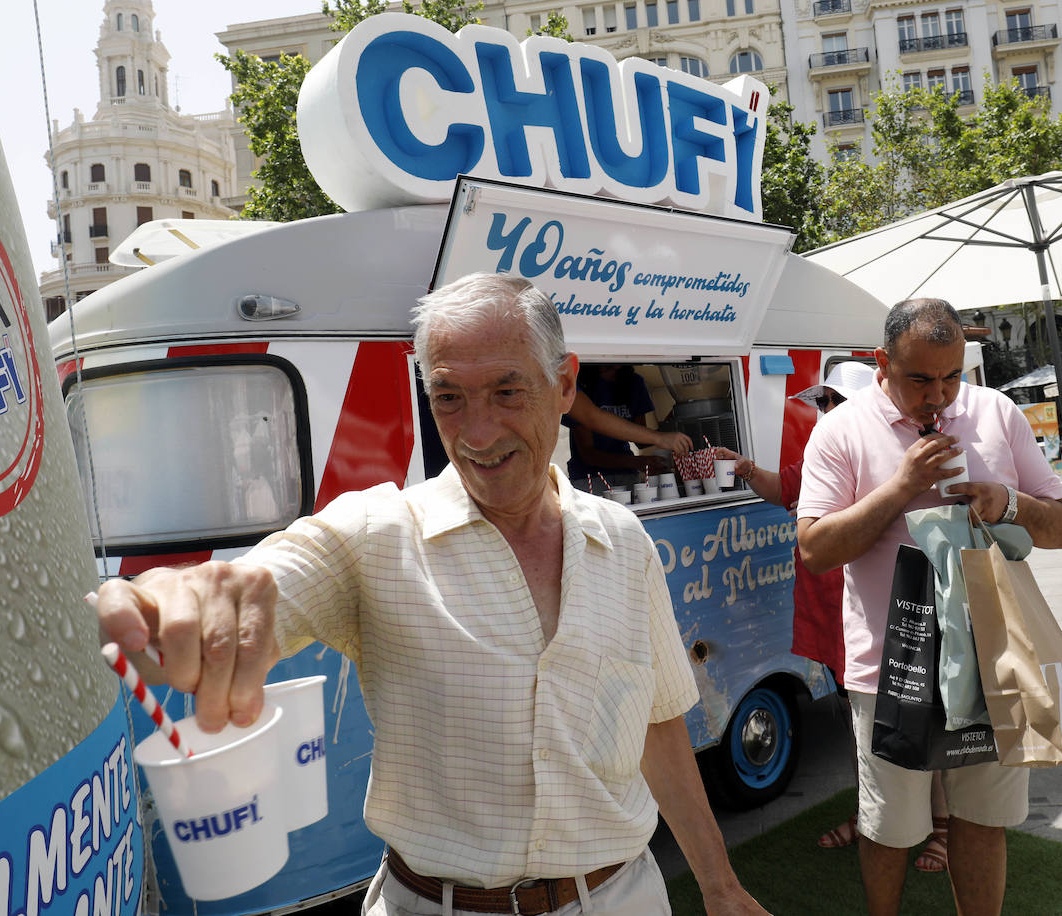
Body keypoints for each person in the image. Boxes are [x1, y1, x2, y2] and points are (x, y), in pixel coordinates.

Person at [92, 273, 768, 916]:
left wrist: (719, 884)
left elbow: (658, 721)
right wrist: (183, 598)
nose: (476, 433)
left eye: (507, 393)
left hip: (621, 897)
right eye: (449, 398)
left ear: (564, 385)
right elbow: (272, 579)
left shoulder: (623, 543)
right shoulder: (377, 534)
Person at [795, 298, 1062, 916]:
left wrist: (1007, 503)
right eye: (920, 379)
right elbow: (814, 549)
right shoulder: (841, 429)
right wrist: (901, 489)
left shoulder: (996, 412)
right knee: (892, 827)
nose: (939, 395)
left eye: (952, 377)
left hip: (993, 654)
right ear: (881, 363)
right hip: (892, 665)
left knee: (983, 818)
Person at [715, 359, 950, 874]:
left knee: (916, 717)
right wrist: (744, 467)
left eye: (833, 401)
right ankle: (871, 815)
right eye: (823, 402)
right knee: (857, 722)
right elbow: (786, 489)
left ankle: (942, 828)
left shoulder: (900, 455)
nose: (824, 411)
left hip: (891, 614)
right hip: (840, 620)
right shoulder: (825, 455)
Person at [567, 364, 668, 487]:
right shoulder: (581, 384)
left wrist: (669, 429)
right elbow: (589, 454)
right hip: (590, 477)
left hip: (627, 474)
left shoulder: (634, 382)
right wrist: (637, 462)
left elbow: (641, 440)